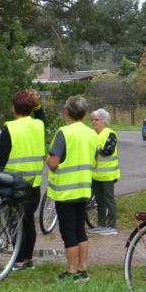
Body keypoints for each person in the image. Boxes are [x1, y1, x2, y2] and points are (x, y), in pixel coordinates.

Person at [47, 96, 97, 280]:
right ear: (84, 114)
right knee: (80, 230)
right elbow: (95, 161)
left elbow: (53, 163)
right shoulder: (92, 134)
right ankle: (83, 268)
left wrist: (47, 158)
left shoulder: (63, 133)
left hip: (66, 191)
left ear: (66, 111)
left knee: (68, 232)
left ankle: (71, 270)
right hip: (84, 189)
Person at [0, 89, 46, 270]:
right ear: (31, 108)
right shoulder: (39, 125)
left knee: (16, 222)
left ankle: (17, 261)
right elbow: (41, 116)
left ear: (14, 108)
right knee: (29, 220)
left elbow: (1, 158)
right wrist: (37, 104)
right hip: (34, 182)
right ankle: (28, 259)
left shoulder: (11, 127)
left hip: (14, 183)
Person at [89, 108, 119, 235]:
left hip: (107, 174)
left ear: (104, 121)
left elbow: (109, 150)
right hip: (95, 174)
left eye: (97, 120)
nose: (94, 122)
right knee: (99, 200)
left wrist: (97, 151)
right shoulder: (92, 134)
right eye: (92, 120)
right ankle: (101, 223)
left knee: (108, 199)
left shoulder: (110, 133)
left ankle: (112, 225)